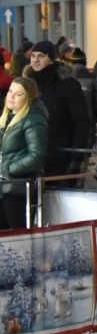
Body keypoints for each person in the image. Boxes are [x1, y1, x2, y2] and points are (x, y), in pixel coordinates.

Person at [24, 40, 93, 183]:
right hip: (30, 157)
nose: (36, 60)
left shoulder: (67, 84)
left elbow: (81, 121)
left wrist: (77, 159)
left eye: (41, 56)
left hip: (61, 157)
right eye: (33, 56)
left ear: (51, 58)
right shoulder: (26, 84)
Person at [0, 77, 47, 229]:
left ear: (28, 98)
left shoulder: (33, 119)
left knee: (16, 236)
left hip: (17, 188)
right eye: (10, 91)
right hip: (4, 186)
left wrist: (9, 169)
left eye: (18, 94)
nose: (11, 97)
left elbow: (37, 155)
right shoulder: (7, 118)